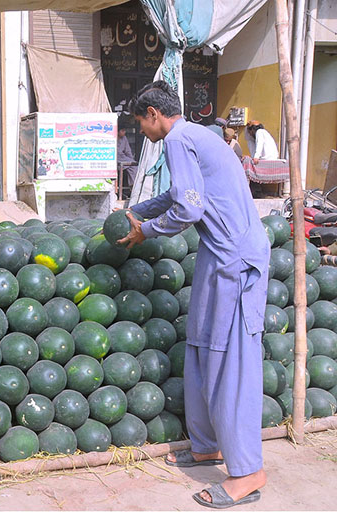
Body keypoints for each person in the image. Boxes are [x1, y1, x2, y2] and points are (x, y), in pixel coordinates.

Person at [118, 81, 269, 509]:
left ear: (152, 114)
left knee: (231, 360)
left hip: (235, 258)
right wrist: (137, 212)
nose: (141, 134)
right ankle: (207, 445)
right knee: (202, 346)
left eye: (139, 125)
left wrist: (144, 231)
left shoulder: (179, 140)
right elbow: (178, 194)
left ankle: (248, 472)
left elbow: (189, 210)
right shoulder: (196, 134)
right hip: (215, 255)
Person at [117, 121, 138, 191]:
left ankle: (133, 185)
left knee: (134, 166)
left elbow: (128, 151)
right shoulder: (113, 138)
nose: (124, 132)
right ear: (117, 131)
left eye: (124, 131)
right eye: (122, 131)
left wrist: (132, 161)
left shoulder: (124, 138)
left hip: (123, 158)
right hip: (115, 158)